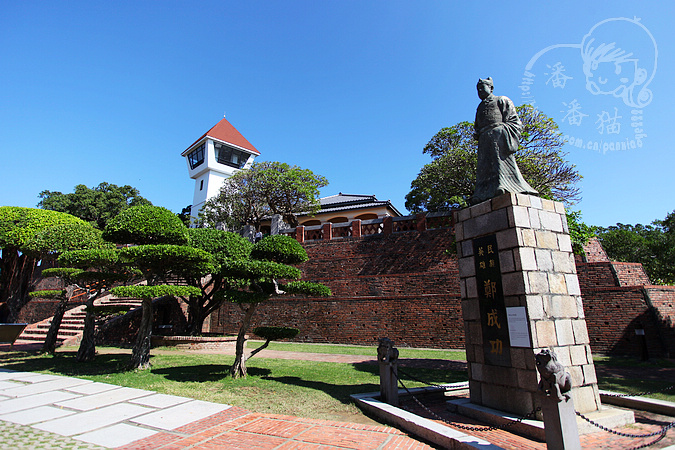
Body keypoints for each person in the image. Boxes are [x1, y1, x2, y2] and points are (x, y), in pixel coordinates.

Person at [470, 77, 537, 204]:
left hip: (499, 135)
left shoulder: (501, 100)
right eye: (477, 89)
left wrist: (502, 131)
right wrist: (479, 134)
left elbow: (514, 120)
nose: (479, 91)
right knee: (483, 168)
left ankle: (505, 186)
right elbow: (477, 125)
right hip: (484, 139)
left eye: (482, 87)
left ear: (491, 88)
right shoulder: (479, 107)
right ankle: (482, 192)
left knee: (500, 163)